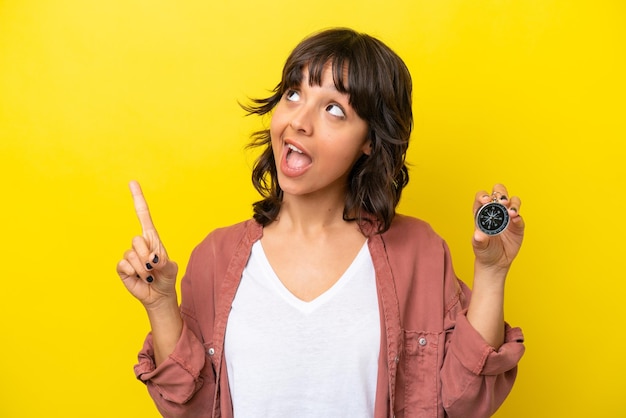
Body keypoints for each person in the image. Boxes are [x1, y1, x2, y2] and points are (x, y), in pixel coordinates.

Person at [116, 28, 525, 418]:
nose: (299, 121)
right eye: (294, 94)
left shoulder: (418, 252)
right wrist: (162, 306)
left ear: (369, 140)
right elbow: (191, 408)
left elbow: (467, 404)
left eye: (333, 109)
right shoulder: (215, 257)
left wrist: (491, 272)